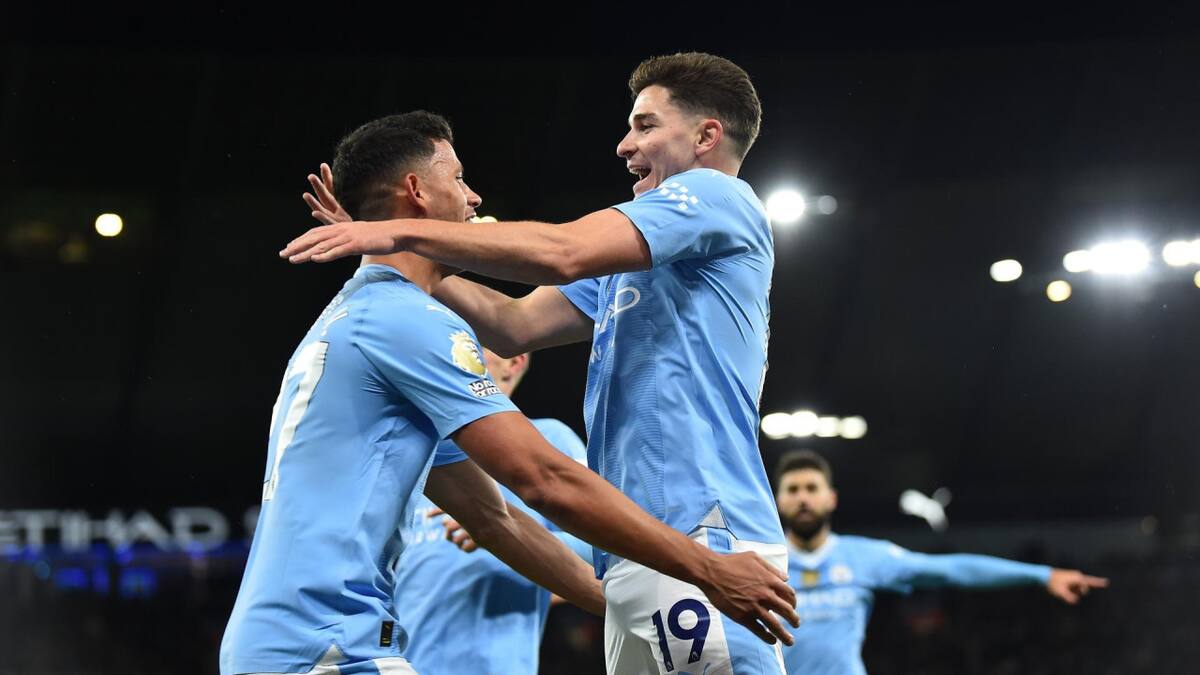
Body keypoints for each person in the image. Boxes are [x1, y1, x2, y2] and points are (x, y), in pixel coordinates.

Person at [223, 110, 795, 675]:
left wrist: (627, 607)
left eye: (645, 126)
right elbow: (544, 479)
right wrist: (706, 570)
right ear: (416, 191)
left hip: (295, 642)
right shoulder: (407, 321)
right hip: (328, 648)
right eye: (458, 179)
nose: (474, 199)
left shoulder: (361, 316)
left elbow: (497, 519)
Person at [773, 449, 1110, 675]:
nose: (803, 497)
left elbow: (952, 569)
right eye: (793, 489)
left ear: (831, 498)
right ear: (777, 498)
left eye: (811, 488)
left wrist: (1041, 574)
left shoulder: (864, 556)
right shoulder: (763, 561)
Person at [392, 349, 592, 675]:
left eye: (472, 343)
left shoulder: (548, 440)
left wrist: (503, 532)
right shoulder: (430, 454)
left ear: (514, 361)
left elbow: (604, 553)